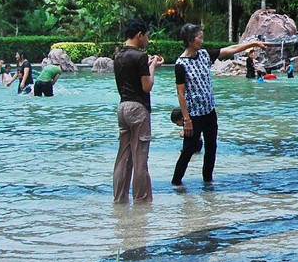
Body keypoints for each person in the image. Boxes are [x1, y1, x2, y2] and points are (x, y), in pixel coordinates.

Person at [173, 23, 266, 186]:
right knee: (188, 150)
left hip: (209, 112)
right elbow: (180, 94)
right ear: (190, 39)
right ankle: (176, 183)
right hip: (193, 116)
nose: (202, 40)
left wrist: (252, 44)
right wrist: (186, 119)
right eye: (199, 37)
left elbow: (230, 49)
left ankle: (207, 184)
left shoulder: (204, 55)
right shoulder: (181, 64)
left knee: (211, 148)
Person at [113, 18, 164, 203]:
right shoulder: (139, 56)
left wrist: (149, 66)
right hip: (138, 109)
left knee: (123, 158)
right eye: (147, 36)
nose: (147, 40)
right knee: (140, 158)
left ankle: (119, 199)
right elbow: (146, 86)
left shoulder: (118, 55)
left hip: (122, 107)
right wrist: (153, 68)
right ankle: (142, 202)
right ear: (139, 35)